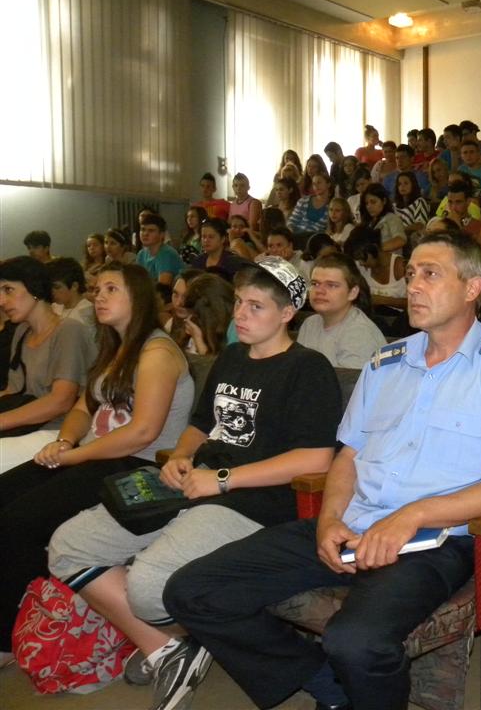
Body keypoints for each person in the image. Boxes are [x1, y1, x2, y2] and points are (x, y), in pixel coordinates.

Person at [162, 232, 481, 710]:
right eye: (411, 274)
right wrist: (329, 520)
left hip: (434, 541)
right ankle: (331, 689)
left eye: (430, 274)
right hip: (353, 523)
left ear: (473, 287)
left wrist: (410, 516)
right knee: (190, 590)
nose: (413, 285)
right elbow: (347, 458)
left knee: (356, 641)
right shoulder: (386, 363)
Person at [47, 257, 341, 709]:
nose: (240, 314)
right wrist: (182, 456)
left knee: (148, 589)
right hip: (194, 483)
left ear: (287, 313)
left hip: (253, 501)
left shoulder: (308, 367)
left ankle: (188, 637)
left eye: (256, 306)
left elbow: (316, 457)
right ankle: (171, 648)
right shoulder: (233, 356)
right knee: (69, 545)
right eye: (239, 302)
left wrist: (221, 480)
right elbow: (202, 425)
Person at [0, 262, 193, 664]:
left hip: (135, 466)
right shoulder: (114, 348)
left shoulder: (157, 352)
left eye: (111, 289)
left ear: (137, 297)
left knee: (19, 520)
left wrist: (74, 454)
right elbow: (82, 407)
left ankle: (8, 635)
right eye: (97, 289)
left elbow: (142, 432)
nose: (98, 297)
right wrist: (65, 441)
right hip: (96, 455)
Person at [0, 256, 97, 472]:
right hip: (27, 426)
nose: (1, 301)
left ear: (34, 287)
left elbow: (60, 402)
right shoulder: (22, 331)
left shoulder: (69, 330)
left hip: (62, 432)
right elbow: (13, 391)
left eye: (8, 290)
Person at [298, 254, 386, 370]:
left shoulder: (360, 334)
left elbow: (349, 382)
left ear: (352, 293)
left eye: (331, 285)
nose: (319, 291)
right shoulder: (309, 324)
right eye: (315, 284)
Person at [170, 272, 235, 357]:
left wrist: (198, 340)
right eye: (175, 294)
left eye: (185, 297)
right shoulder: (176, 323)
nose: (179, 303)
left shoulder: (233, 330)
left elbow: (220, 364)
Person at [47, 257, 97, 339]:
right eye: (50, 287)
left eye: (57, 287)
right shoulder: (55, 307)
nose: (52, 292)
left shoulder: (86, 312)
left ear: (74, 286)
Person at [136, 214, 185, 285]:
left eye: (151, 230)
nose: (145, 234)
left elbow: (162, 287)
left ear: (162, 234)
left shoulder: (166, 253)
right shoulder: (141, 254)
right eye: (143, 229)